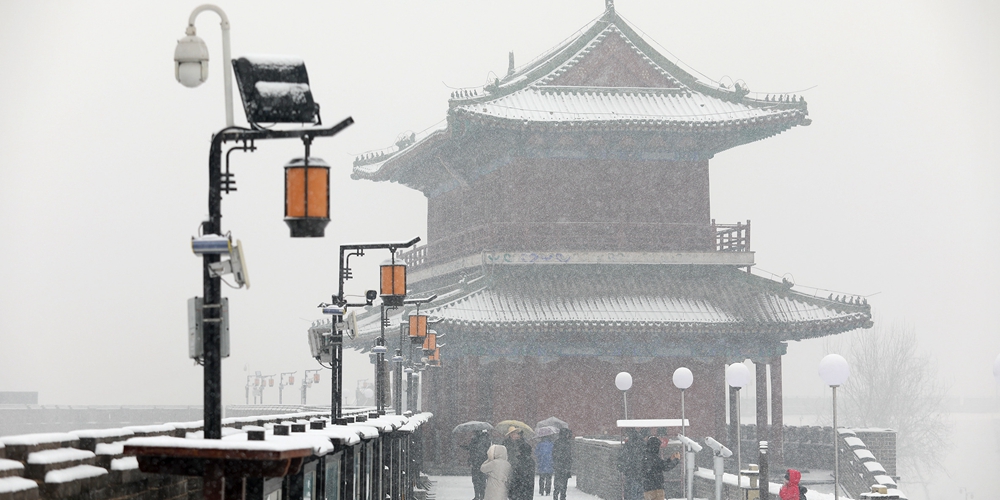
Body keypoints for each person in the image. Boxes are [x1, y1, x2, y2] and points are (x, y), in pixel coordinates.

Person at [641, 436, 680, 500]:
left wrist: (670, 459)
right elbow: (665, 467)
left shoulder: (645, 456)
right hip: (657, 488)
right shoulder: (655, 457)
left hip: (647, 488)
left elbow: (660, 465)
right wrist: (676, 460)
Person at [503, 427, 535, 500]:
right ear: (510, 434)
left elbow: (525, 450)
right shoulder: (506, 443)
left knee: (517, 483)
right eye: (512, 433)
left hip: (517, 464)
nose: (515, 435)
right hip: (510, 464)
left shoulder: (521, 442)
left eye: (515, 433)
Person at [463, 430, 492, 500]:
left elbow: (472, 450)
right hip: (482, 462)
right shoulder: (486, 438)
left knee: (476, 480)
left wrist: (466, 447)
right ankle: (482, 495)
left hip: (476, 462)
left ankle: (477, 496)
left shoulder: (476, 439)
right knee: (482, 480)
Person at [617, 429, 645, 500]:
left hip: (630, 473)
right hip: (641, 474)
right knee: (640, 493)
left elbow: (621, 459)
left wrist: (621, 468)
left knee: (631, 492)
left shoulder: (627, 446)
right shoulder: (642, 445)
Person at [552, 428, 573, 500]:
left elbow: (554, 454)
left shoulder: (557, 442)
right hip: (565, 466)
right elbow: (568, 455)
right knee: (564, 483)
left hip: (558, 466)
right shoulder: (567, 443)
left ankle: (555, 495)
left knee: (557, 482)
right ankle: (562, 496)